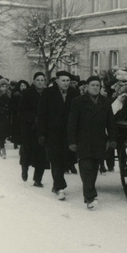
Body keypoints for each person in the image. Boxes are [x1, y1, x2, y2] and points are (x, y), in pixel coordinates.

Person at [68, 76, 117, 209]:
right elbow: (72, 123)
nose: (95, 88)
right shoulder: (78, 101)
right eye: (93, 85)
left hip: (99, 140)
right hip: (82, 140)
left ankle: (88, 193)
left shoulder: (105, 102)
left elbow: (110, 122)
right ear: (87, 87)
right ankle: (90, 196)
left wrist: (113, 139)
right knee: (86, 168)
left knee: (94, 168)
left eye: (97, 85)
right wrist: (72, 141)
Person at [36, 71, 78, 200]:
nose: (66, 83)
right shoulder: (48, 93)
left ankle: (57, 184)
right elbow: (42, 114)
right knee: (55, 159)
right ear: (57, 81)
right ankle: (60, 186)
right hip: (52, 133)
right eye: (63, 80)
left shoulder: (74, 93)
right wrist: (41, 133)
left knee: (65, 159)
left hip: (68, 133)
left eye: (68, 81)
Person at [18, 72, 49, 187]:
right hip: (29, 128)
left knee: (41, 153)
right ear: (34, 81)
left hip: (42, 129)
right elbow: (21, 111)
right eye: (38, 80)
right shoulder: (27, 93)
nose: (40, 82)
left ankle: (37, 179)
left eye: (42, 80)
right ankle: (24, 168)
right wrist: (33, 118)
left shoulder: (47, 94)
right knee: (27, 151)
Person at [10, 80, 29, 150]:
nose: (23, 87)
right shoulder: (16, 94)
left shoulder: (29, 94)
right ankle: (17, 143)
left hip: (26, 115)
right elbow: (12, 105)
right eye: (21, 86)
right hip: (17, 115)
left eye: (24, 85)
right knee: (17, 130)